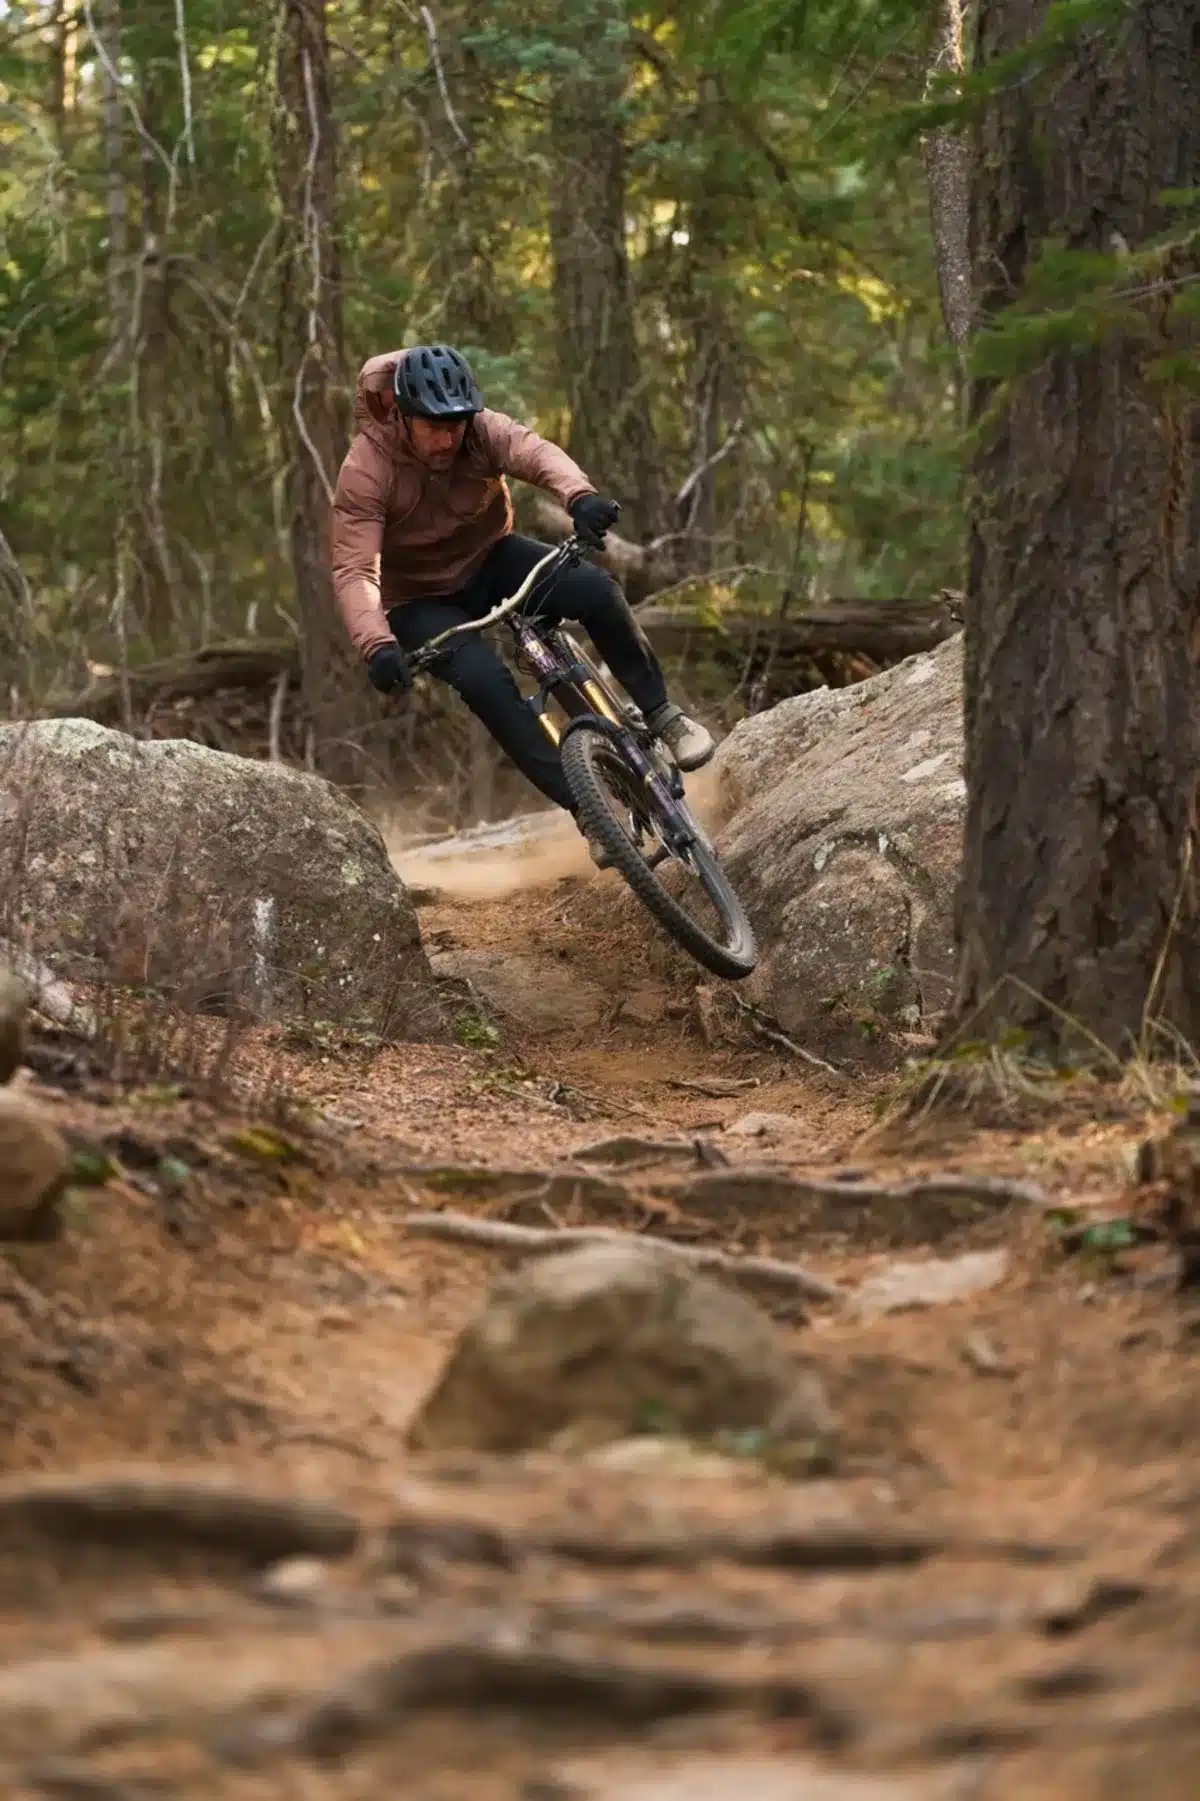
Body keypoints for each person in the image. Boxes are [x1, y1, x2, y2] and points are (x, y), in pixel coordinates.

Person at [331, 345, 714, 834]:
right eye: (434, 426)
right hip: (418, 601)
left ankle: (664, 716)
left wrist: (580, 496)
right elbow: (355, 568)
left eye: (457, 424)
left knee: (596, 591)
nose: (448, 438)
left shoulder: (481, 429)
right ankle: (589, 811)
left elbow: (534, 452)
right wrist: (376, 644)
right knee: (485, 682)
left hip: (490, 557)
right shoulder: (366, 467)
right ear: (404, 417)